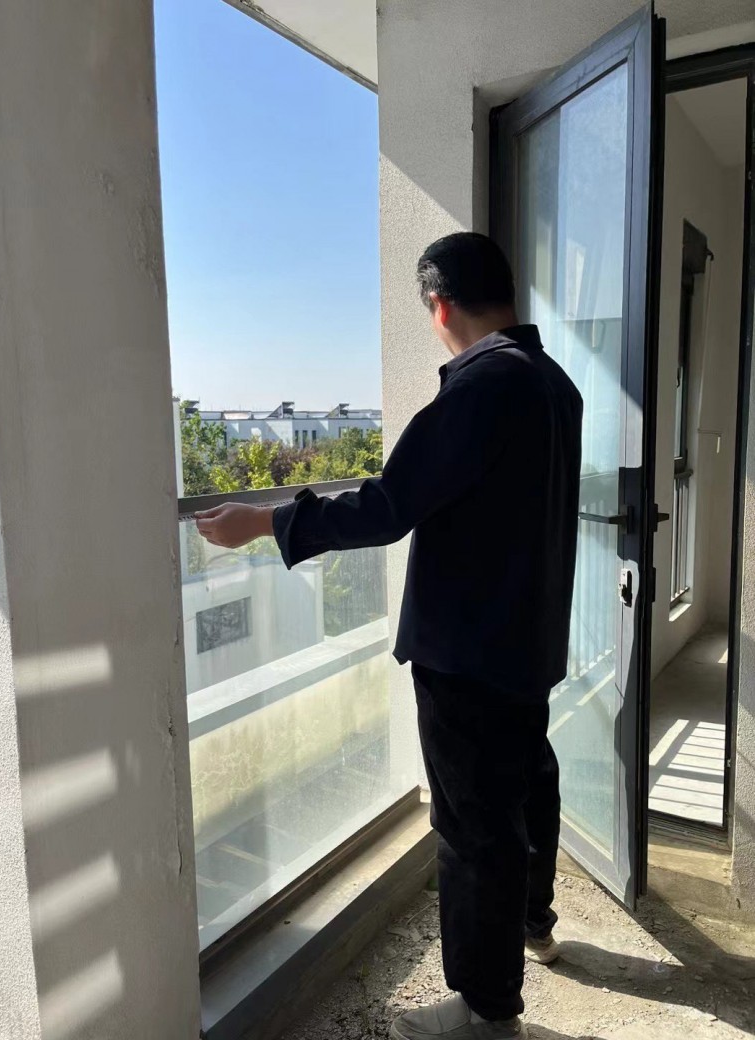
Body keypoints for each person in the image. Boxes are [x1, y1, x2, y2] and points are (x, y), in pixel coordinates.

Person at [195, 232, 583, 1040]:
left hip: (468, 652)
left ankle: (485, 1013)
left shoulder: (482, 385)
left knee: (473, 829)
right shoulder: (555, 384)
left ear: (438, 305)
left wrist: (264, 521)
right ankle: (535, 924)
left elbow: (387, 506)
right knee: (526, 787)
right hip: (527, 637)